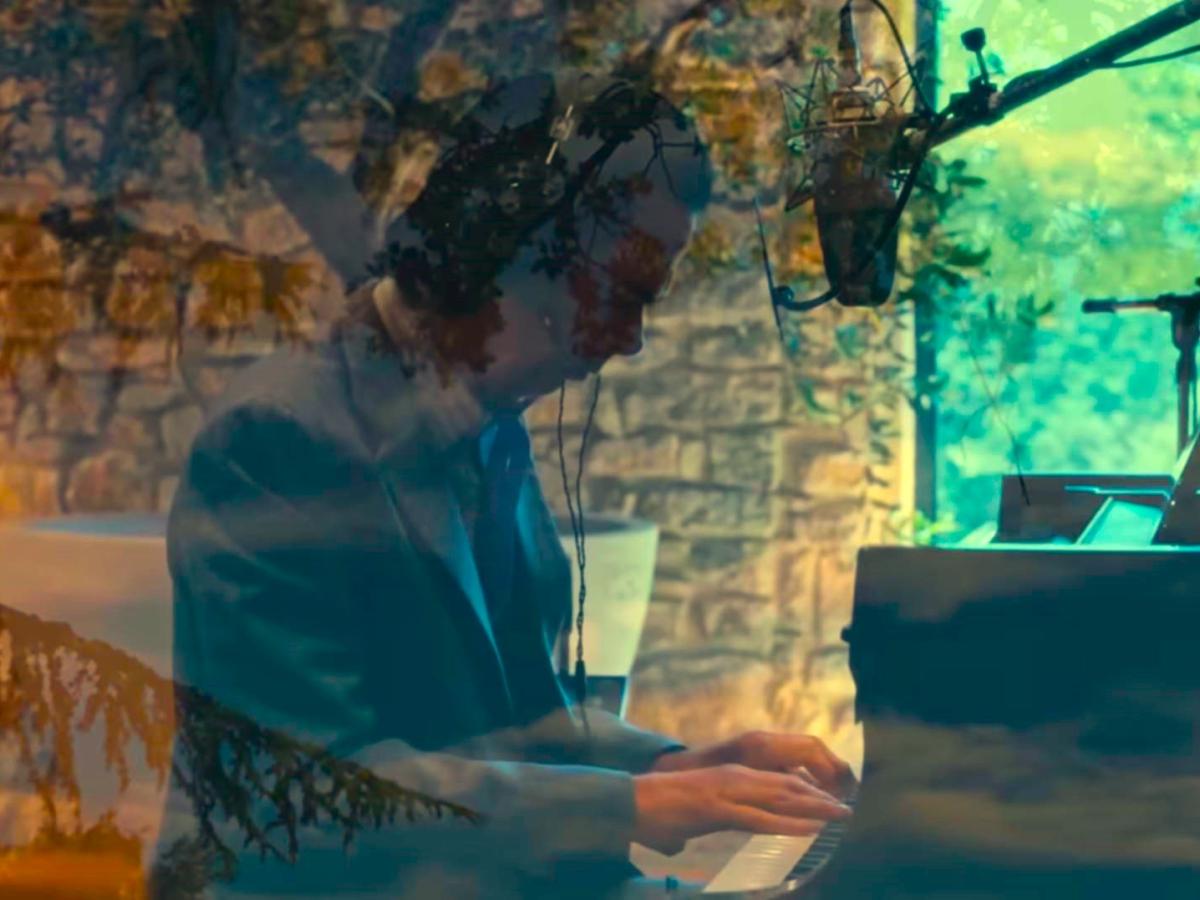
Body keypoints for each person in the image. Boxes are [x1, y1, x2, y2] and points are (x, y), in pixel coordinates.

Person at [158, 72, 854, 899]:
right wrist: (629, 806)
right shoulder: (273, 441)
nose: (630, 341)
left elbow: (525, 722)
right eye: (625, 293)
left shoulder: (489, 424)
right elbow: (309, 797)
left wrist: (678, 763)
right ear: (515, 249)